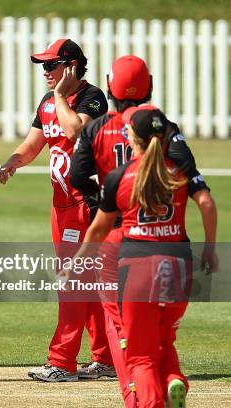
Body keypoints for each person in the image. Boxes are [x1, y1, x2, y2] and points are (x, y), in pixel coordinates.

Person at [69, 55, 213, 407]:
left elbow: (76, 177)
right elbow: (188, 177)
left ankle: (136, 397)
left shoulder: (98, 127)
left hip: (121, 240)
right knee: (161, 335)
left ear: (109, 84)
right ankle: (170, 381)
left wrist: (106, 197)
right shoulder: (165, 127)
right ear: (148, 83)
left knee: (124, 332)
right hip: (171, 240)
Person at [0, 38, 113, 382]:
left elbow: (75, 130)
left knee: (73, 283)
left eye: (52, 65)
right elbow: (34, 144)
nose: (46, 72)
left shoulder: (92, 97)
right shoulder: (48, 101)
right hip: (60, 206)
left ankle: (62, 362)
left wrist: (61, 95)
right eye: (43, 66)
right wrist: (12, 161)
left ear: (72, 66)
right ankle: (105, 360)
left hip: (84, 205)